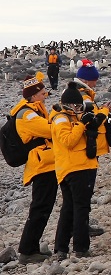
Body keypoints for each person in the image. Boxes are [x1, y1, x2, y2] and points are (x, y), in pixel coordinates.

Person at [50, 82, 107, 259]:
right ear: (67, 104)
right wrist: (81, 125)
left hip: (72, 167)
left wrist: (100, 115)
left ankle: (61, 249)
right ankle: (81, 248)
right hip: (76, 168)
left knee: (68, 208)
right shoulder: (61, 119)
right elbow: (68, 141)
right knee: (81, 207)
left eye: (79, 105)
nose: (78, 108)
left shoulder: (70, 116)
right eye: (75, 105)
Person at [13, 72, 56, 264]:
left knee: (43, 206)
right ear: (34, 94)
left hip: (47, 162)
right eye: (42, 91)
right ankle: (27, 251)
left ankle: (32, 247)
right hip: (41, 165)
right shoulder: (27, 114)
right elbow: (48, 129)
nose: (45, 94)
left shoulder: (36, 109)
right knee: (40, 207)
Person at [73, 59, 111, 236]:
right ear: (88, 80)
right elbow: (91, 121)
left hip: (85, 148)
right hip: (85, 149)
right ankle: (80, 230)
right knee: (83, 193)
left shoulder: (80, 94)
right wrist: (105, 111)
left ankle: (79, 227)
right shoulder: (82, 96)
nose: (96, 83)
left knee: (79, 196)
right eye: (95, 80)